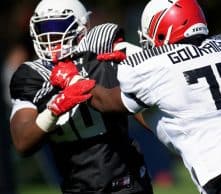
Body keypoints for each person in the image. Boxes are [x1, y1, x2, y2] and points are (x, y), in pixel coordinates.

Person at [50, 0, 221, 193]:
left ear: (162, 31)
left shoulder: (156, 66)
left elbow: (108, 102)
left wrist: (74, 79)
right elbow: (171, 106)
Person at [9, 0, 153, 193]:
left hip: (127, 183)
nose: (50, 35)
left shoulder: (103, 55)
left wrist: (133, 70)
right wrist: (53, 110)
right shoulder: (33, 74)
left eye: (58, 26)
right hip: (77, 186)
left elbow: (148, 115)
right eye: (43, 27)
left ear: (83, 26)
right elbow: (22, 141)